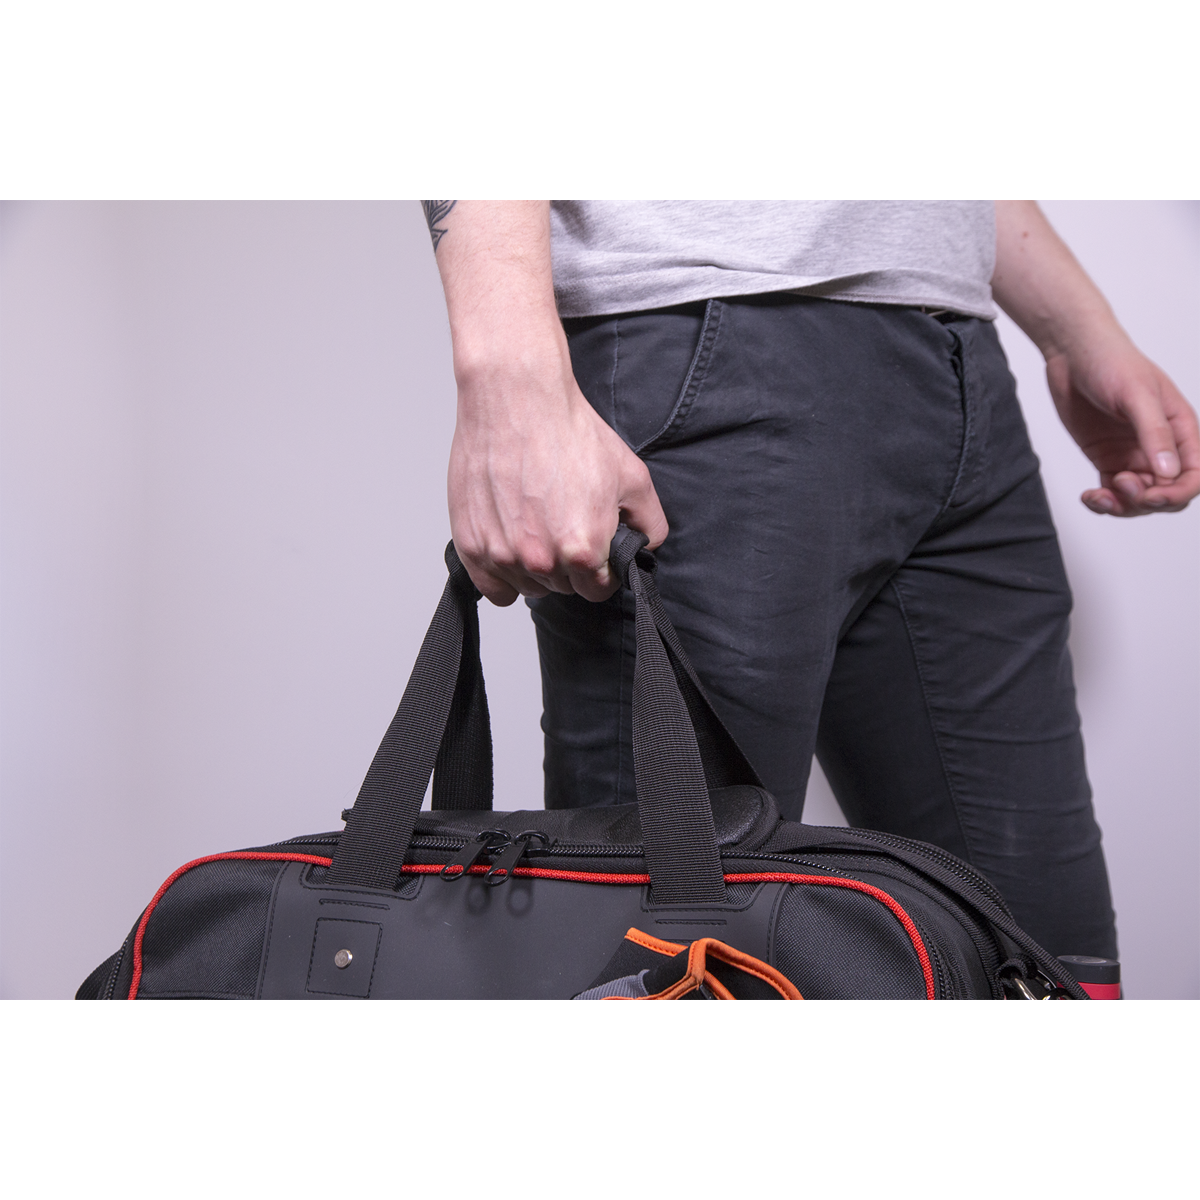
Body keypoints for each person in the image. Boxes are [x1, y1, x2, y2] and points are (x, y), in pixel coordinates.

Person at [422, 200, 1200, 960]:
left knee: (1039, 956)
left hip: (961, 358)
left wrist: (1077, 332)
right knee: (673, 955)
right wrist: (505, 375)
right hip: (708, 341)